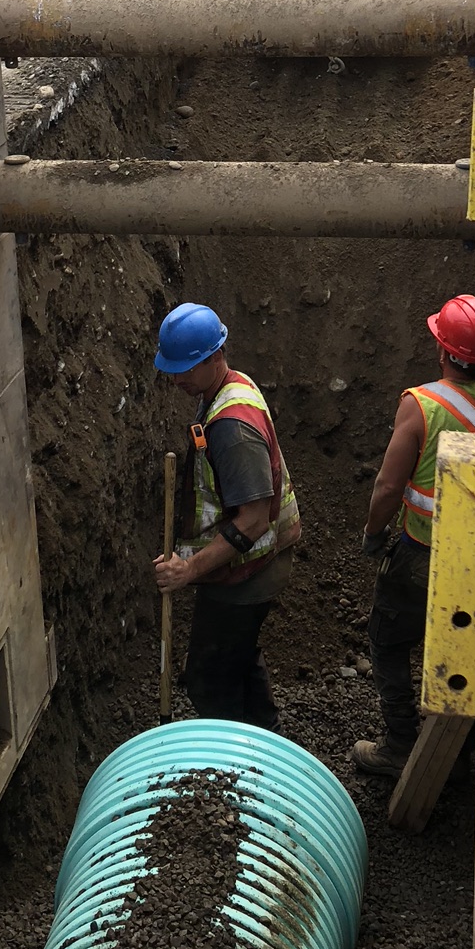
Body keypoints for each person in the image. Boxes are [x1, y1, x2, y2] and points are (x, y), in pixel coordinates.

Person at [353, 294, 475, 780]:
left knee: (388, 641)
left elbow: (389, 486)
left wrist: (373, 534)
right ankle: (465, 749)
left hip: (421, 554)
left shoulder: (421, 406)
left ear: (442, 350)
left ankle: (399, 744)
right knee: (466, 648)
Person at [152, 302, 300, 730]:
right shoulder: (227, 387)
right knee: (239, 656)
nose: (178, 378)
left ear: (216, 356)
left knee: (210, 679)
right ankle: (267, 738)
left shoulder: (232, 429)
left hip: (248, 572)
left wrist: (188, 570)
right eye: (173, 368)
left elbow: (253, 521)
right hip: (250, 564)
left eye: (187, 368)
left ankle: (234, 771)